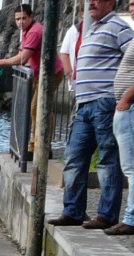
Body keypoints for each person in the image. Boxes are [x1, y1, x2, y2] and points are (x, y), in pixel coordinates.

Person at [49, 0, 134, 229]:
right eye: (89, 0)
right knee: (74, 158)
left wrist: (125, 96)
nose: (91, 3)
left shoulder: (119, 27)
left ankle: (106, 215)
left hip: (105, 102)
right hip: (84, 103)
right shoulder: (91, 28)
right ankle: (73, 211)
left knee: (108, 159)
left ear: (111, 3)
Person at [0, 3, 65, 145]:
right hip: (40, 73)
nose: (20, 22)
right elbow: (21, 54)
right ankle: (39, 142)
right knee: (39, 108)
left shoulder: (34, 31)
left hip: (50, 73)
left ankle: (41, 144)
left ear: (31, 17)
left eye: (23, 18)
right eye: (17, 19)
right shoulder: (27, 30)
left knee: (38, 107)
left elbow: (23, 58)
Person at [107, 38, 134, 234]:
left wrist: (126, 98)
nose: (132, 8)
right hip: (126, 107)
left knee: (131, 167)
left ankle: (131, 219)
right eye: (131, 4)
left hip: (129, 108)